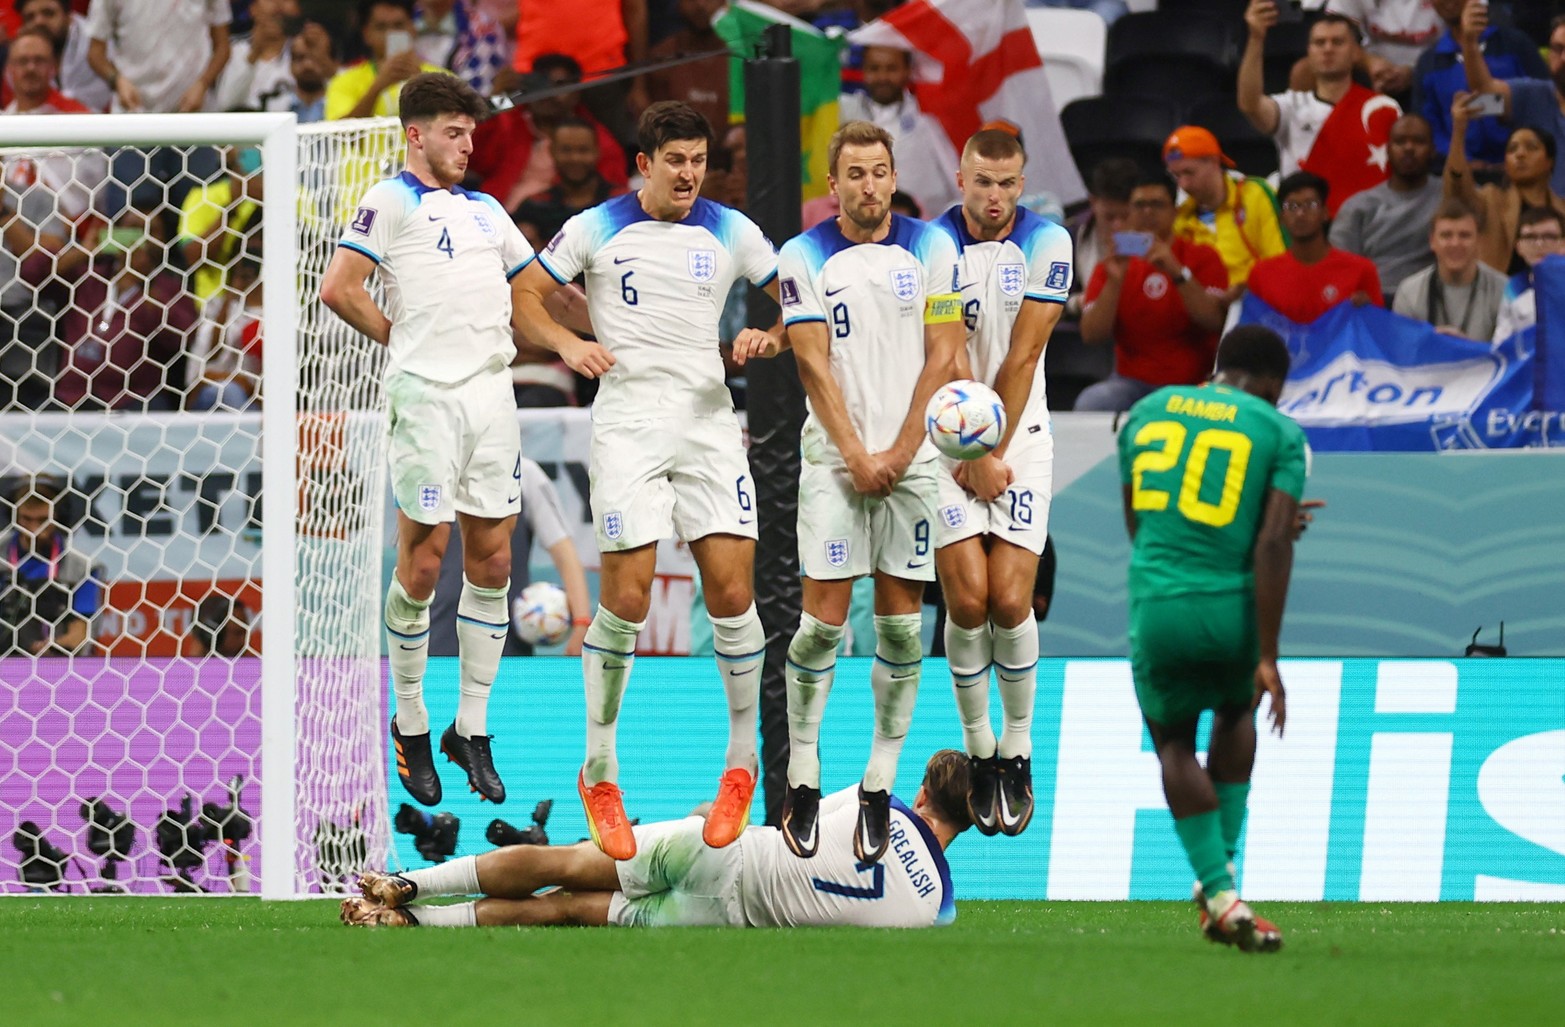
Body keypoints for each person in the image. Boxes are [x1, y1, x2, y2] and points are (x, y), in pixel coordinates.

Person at [513, 101, 784, 861]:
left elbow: (802, 298)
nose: (689, 174)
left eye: (698, 160)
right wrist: (568, 342)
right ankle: (599, 769)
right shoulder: (597, 226)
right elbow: (523, 298)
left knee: (732, 593)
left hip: (705, 420)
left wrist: (768, 333)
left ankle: (740, 766)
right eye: (675, 161)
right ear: (644, 164)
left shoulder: (732, 229)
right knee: (626, 599)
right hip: (629, 421)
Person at [320, 73, 539, 809]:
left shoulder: (485, 210)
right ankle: (410, 720)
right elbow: (339, 286)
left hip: (491, 393)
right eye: (452, 131)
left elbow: (535, 284)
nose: (466, 144)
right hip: (426, 398)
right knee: (422, 560)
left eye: (470, 132)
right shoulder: (388, 199)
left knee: (496, 558)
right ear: (415, 133)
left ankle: (469, 727)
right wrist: (398, 336)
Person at [771, 120, 963, 865]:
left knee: (901, 630)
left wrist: (902, 449)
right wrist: (856, 453)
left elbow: (946, 351)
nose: (868, 186)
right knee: (820, 626)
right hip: (833, 462)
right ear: (833, 185)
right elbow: (813, 365)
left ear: (893, 175)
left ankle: (878, 785)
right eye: (853, 174)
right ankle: (804, 776)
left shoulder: (932, 247)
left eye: (879, 171)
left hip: (910, 461)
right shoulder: (804, 255)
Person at [1116, 324, 1306, 953]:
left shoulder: (1143, 413)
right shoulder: (1278, 432)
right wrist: (1269, 655)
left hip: (1159, 600)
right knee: (1233, 710)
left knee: (1173, 743)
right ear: (1273, 384)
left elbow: (1139, 521)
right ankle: (1221, 887)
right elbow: (1273, 542)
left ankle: (1219, 890)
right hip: (1231, 608)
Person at [340, 749, 969, 929]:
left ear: (918, 795)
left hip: (723, 854)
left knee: (564, 862)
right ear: (967, 822)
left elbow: (792, 834)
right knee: (561, 910)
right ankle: (415, 926)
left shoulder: (876, 805)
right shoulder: (938, 909)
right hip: (721, 919)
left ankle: (409, 884)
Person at [925, 128, 1072, 837]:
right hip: (945, 439)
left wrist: (991, 449)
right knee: (968, 598)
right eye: (981, 181)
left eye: (1006, 184)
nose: (993, 196)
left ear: (1022, 183)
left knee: (1012, 600)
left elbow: (1025, 352)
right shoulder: (931, 246)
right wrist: (967, 448)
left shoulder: (1047, 244)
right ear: (960, 177)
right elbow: (944, 350)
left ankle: (1017, 749)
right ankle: (980, 749)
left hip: (1024, 439)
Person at [1077, 171, 1230, 412]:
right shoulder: (1112, 264)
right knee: (1092, 403)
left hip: (1192, 383)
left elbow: (1214, 321)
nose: (1147, 212)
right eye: (1139, 205)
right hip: (1131, 384)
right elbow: (1091, 334)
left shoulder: (1203, 257)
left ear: (1174, 212)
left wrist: (1177, 272)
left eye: (1157, 205)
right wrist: (1114, 283)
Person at [1239, 3, 1399, 217]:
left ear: (1355, 53)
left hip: (1369, 224)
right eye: (1319, 42)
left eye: (1338, 42)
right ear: (1309, 53)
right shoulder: (1290, 107)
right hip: (1304, 222)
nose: (1328, 48)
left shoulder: (1382, 108)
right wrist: (1256, 38)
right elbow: (1250, 105)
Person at [428, 456, 592, 658]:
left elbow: (564, 552)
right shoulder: (433, 472)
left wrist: (582, 622)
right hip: (437, 639)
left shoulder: (524, 473)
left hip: (505, 644)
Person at [1413, 0, 1548, 171]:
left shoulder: (1516, 44)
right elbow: (1428, 126)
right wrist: (1461, 159)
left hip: (1522, 171)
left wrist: (1520, 154)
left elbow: (1545, 104)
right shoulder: (1428, 62)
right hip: (1459, 176)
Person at [838, 46, 961, 221]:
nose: (882, 77)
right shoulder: (845, 114)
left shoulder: (925, 122)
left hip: (920, 228)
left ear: (908, 70)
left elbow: (956, 183)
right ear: (864, 70)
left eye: (891, 69)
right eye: (874, 68)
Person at [1330, 113, 1443, 301]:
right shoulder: (1358, 206)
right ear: (1388, 150)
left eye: (1418, 141)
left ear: (1432, 150)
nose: (1408, 148)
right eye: (1400, 142)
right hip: (1373, 301)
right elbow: (1339, 267)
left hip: (1429, 301)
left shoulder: (1448, 196)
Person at [1164, 126, 1285, 302]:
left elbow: (1281, 264)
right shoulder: (1179, 220)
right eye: (1176, 176)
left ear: (1214, 162)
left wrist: (1244, 290)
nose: (1183, 185)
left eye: (1189, 173)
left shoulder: (1256, 195)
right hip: (1206, 314)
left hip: (1260, 304)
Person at [1443, 101, 1565, 274]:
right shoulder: (1490, 200)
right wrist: (1459, 130)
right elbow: (1456, 188)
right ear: (1505, 164)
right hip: (1500, 297)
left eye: (1531, 147)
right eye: (1512, 149)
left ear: (1550, 161)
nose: (1520, 154)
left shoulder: (1562, 209)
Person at [1456, 7, 1565, 199]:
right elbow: (1484, 94)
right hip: (1535, 222)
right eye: (1558, 49)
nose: (1564, 58)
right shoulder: (1532, 96)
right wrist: (1470, 42)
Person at [1246, 171, 1383, 322]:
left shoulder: (1362, 270)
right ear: (1281, 218)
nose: (1300, 213)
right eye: (1291, 206)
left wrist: (1368, 312)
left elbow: (1377, 332)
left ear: (1325, 213)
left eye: (1310, 204)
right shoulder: (1261, 274)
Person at [1, 477, 101, 657]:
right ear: (13, 515)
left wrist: (49, 647)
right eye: (26, 519)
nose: (34, 529)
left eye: (42, 520)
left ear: (58, 516)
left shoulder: (82, 567)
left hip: (57, 665)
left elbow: (81, 634)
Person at [1392, 199, 1508, 339]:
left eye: (1464, 235)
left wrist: (1464, 348)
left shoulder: (1504, 289)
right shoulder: (1409, 292)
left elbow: (1508, 354)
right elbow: (1404, 351)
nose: (1455, 243)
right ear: (1432, 241)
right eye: (1446, 235)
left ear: (1479, 241)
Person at [324, 0, 445, 121]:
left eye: (399, 25)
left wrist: (424, 86)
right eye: (381, 27)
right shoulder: (344, 81)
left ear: (413, 29)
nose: (391, 34)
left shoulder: (441, 78)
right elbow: (340, 135)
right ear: (366, 34)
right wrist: (377, 88)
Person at [16, 0, 112, 112]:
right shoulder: (18, 56)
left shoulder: (96, 42)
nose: (39, 22)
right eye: (30, 17)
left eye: (48, 13)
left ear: (69, 16)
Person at [208, 0, 301, 113]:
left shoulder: (301, 52)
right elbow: (225, 104)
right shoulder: (232, 51)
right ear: (253, 9)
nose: (277, 6)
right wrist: (253, 55)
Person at [1493, 207, 1565, 342]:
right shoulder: (1514, 287)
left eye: (1549, 236)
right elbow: (1502, 343)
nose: (1539, 244)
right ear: (1519, 247)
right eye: (1530, 237)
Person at [186, 593, 252, 657]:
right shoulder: (180, 667)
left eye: (246, 632)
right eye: (238, 633)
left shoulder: (255, 667)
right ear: (210, 635)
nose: (245, 640)